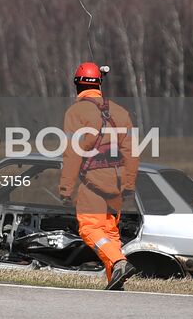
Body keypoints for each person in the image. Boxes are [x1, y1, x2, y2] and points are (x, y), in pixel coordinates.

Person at [57, 61, 140, 290]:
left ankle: (119, 262)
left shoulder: (76, 112)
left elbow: (73, 153)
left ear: (77, 85)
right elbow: (132, 153)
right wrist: (130, 185)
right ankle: (116, 277)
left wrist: (65, 189)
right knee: (109, 233)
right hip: (118, 184)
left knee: (89, 228)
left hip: (93, 181)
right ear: (99, 84)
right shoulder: (120, 112)